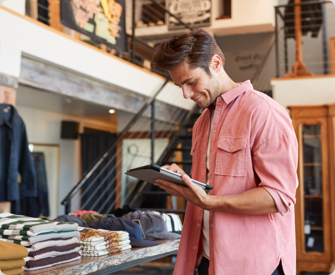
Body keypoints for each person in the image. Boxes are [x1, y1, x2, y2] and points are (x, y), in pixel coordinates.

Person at [151, 28, 298, 275]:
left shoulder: (263, 112)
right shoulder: (200, 124)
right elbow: (212, 185)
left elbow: (280, 196)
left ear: (216, 63)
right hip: (208, 259)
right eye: (180, 86)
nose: (186, 94)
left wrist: (211, 202)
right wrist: (183, 180)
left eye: (191, 82)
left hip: (255, 265)